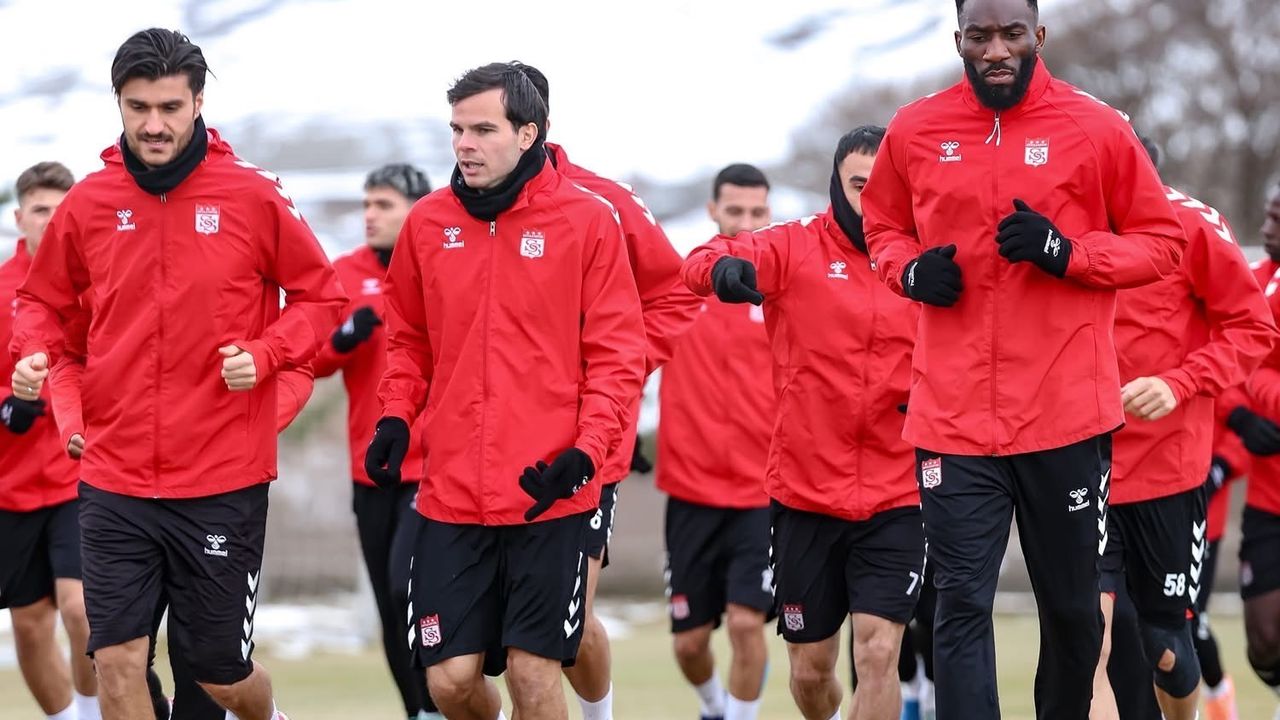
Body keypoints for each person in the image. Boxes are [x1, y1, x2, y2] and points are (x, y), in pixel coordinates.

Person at [859, 0, 1187, 716]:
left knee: (1073, 614)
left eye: (1011, 34)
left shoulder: (1097, 127)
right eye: (980, 36)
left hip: (1064, 416)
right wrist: (909, 271)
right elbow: (880, 228)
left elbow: (1163, 245)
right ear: (959, 40)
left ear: (1038, 35)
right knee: (959, 604)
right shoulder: (915, 129)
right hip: (952, 418)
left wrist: (1068, 253)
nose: (996, 50)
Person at [9, 28, 346, 720]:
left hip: (221, 479)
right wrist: (36, 357)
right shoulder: (90, 202)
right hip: (115, 476)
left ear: (197, 103)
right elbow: (42, 303)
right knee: (116, 662)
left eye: (169, 107)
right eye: (138, 107)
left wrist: (269, 353)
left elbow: (323, 298)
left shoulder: (253, 195)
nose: (154, 125)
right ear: (119, 104)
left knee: (219, 675)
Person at [365, 62, 644, 720]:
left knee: (533, 673)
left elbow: (617, 355)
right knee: (449, 682)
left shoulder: (588, 220)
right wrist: (395, 416)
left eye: (483, 130)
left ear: (528, 133)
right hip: (451, 493)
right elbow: (408, 339)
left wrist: (588, 451)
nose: (464, 144)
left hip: (550, 491)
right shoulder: (428, 223)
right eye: (457, 129)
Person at [683, 125, 924, 720]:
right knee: (811, 674)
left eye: (886, 185)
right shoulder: (794, 247)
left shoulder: (926, 259)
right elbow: (705, 257)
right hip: (806, 494)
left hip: (899, 492)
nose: (873, 198)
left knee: (878, 652)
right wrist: (721, 272)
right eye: (859, 185)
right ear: (837, 185)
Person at [512, 61, 703, 720]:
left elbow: (676, 295)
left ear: (535, 125)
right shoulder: (456, 213)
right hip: (483, 451)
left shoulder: (605, 203)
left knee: (562, 628)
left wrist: (614, 371)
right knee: (488, 644)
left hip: (586, 446)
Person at [1088, 138, 1276, 720]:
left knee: (1167, 647)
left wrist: (1180, 382)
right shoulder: (1061, 232)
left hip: (1167, 476)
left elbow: (1253, 331)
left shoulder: (1194, 226)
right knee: (1090, 638)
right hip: (1080, 472)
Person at [308, 163, 440, 720]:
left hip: (433, 468)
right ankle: (418, 711)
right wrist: (344, 337)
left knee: (409, 589)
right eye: (366, 204)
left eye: (383, 205)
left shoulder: (442, 264)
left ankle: (440, 701)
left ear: (417, 209)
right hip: (371, 470)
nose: (369, 215)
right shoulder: (345, 274)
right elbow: (311, 360)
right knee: (389, 603)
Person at [656, 162, 775, 720]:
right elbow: (628, 353)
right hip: (690, 491)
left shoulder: (783, 284)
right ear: (712, 210)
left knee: (748, 623)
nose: (746, 223)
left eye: (757, 212)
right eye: (735, 211)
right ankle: (713, 707)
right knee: (689, 643)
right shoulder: (679, 283)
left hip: (762, 492)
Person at [0, 161, 100, 720]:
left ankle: (94, 712)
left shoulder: (96, 286)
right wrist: (6, 404)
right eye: (41, 210)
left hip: (76, 477)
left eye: (62, 212)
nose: (52, 221)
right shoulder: (2, 289)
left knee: (81, 608)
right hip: (9, 487)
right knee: (31, 625)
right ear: (20, 218)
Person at [1229, 179, 1280, 719]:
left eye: (1278, 220)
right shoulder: (1255, 282)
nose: (1266, 229)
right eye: (1267, 216)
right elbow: (1237, 363)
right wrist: (1245, 416)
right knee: (1263, 641)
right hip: (1268, 495)